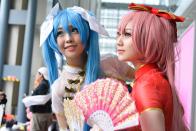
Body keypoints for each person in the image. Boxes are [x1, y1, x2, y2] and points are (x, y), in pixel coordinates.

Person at [116, 3, 189, 131]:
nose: (119, 41)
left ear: (150, 39)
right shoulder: (154, 78)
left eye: (127, 34)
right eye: (118, 34)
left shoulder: (146, 84)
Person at [41, 3, 109, 131]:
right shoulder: (58, 87)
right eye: (60, 33)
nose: (68, 39)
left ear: (86, 32)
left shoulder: (109, 65)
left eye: (74, 30)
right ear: (54, 41)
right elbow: (63, 128)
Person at [30, 67, 52, 131]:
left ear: (41, 75)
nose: (36, 76)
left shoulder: (43, 85)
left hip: (40, 115)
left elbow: (39, 100)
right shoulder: (47, 84)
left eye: (37, 74)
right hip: (45, 114)